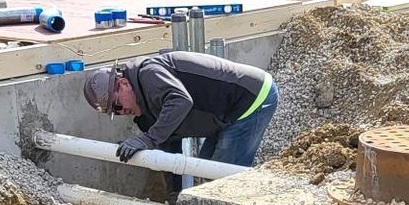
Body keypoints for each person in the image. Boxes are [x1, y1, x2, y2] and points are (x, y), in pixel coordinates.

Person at [82, 51, 279, 182]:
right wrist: (174, 195)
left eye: (117, 105)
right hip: (224, 113)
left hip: (252, 98)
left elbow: (180, 100)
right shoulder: (147, 114)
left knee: (222, 181)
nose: (120, 111)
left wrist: (148, 139)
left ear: (123, 83)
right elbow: (169, 149)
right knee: (205, 174)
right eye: (114, 113)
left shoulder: (149, 74)